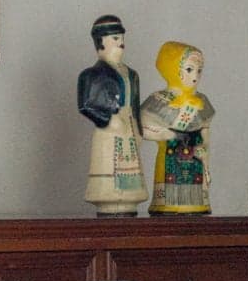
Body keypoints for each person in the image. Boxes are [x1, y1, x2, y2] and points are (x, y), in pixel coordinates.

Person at [77, 14, 147, 215]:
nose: (121, 43)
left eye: (122, 38)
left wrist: (139, 129)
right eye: (115, 38)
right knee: (109, 184)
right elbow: (85, 105)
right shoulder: (91, 75)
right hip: (109, 135)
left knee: (132, 186)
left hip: (130, 132)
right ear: (101, 42)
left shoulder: (131, 74)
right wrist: (107, 120)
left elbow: (134, 105)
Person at [140, 42, 213, 215]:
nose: (195, 76)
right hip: (170, 157)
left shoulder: (202, 101)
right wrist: (166, 134)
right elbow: (141, 128)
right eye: (189, 69)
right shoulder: (158, 100)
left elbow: (205, 130)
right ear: (172, 69)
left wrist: (204, 150)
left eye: (199, 70)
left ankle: (194, 204)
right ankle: (167, 204)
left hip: (195, 158)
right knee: (169, 185)